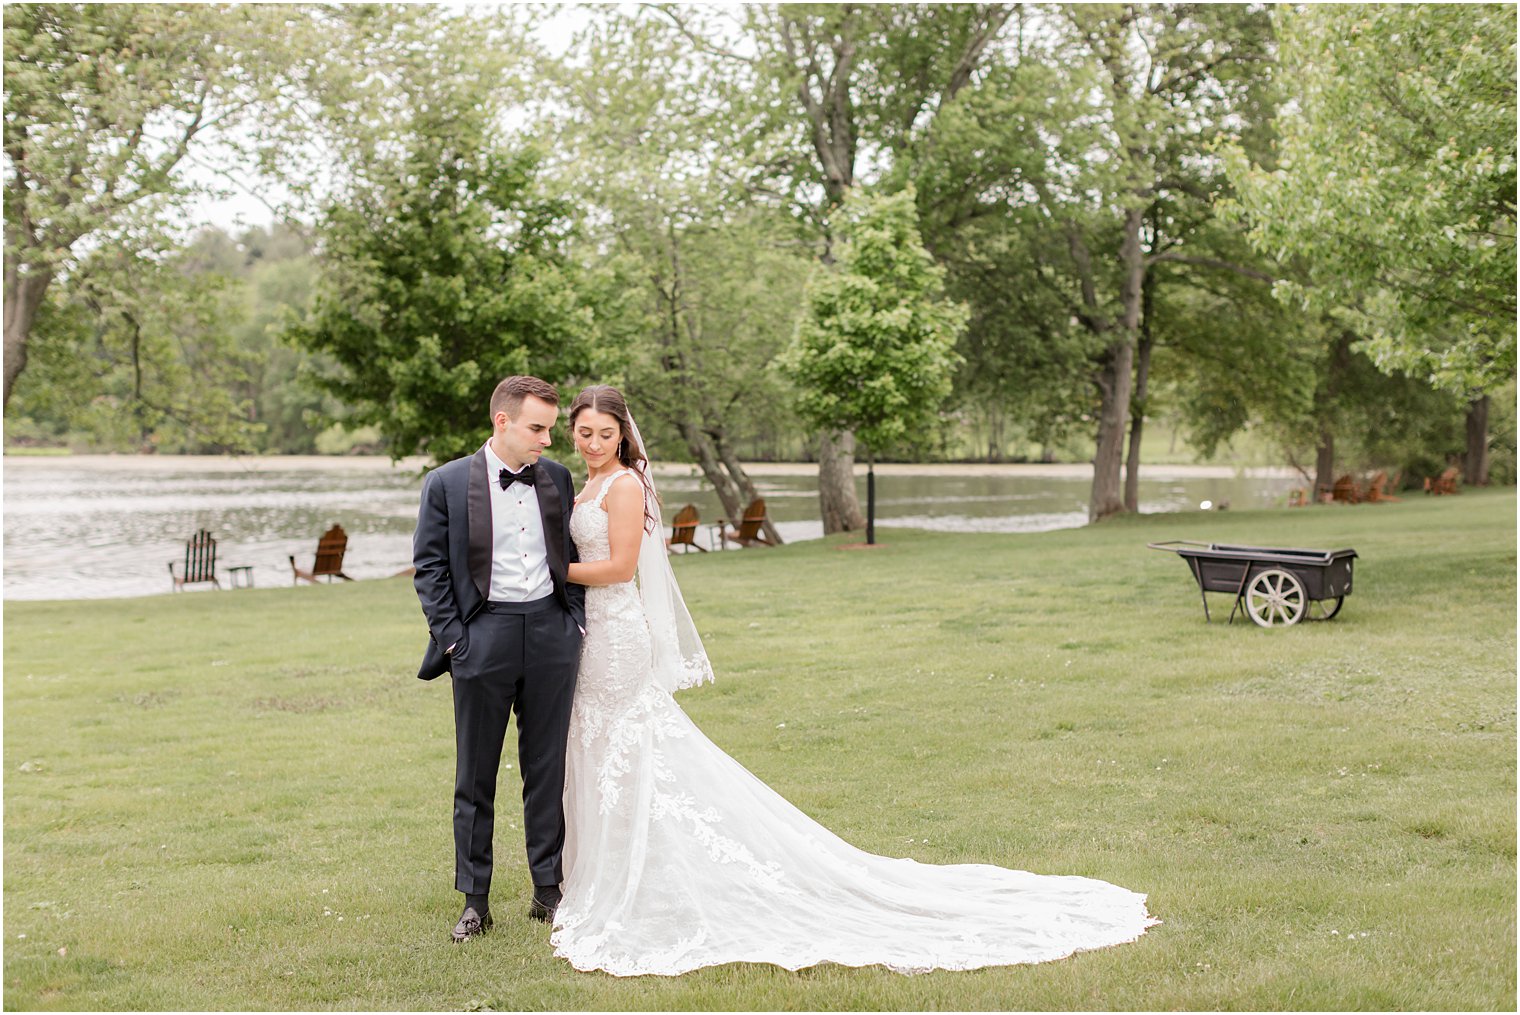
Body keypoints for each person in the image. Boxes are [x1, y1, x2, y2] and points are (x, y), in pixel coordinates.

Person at [553, 384, 1158, 976]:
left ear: (623, 434)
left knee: (627, 747)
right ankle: (610, 867)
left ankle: (633, 873)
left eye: (606, 433)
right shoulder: (591, 483)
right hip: (595, 636)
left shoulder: (626, 484)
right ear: (571, 431)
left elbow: (621, 567)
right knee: (607, 749)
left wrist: (554, 571)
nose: (595, 443)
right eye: (585, 433)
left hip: (617, 637)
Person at [411, 375, 585, 943]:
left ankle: (548, 891)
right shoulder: (445, 482)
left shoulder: (557, 479)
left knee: (547, 768)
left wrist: (573, 622)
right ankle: (475, 902)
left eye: (550, 429)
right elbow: (430, 569)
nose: (548, 441)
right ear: (502, 422)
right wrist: (456, 640)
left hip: (550, 634)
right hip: (482, 638)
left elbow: (572, 556)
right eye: (538, 428)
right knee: (475, 774)